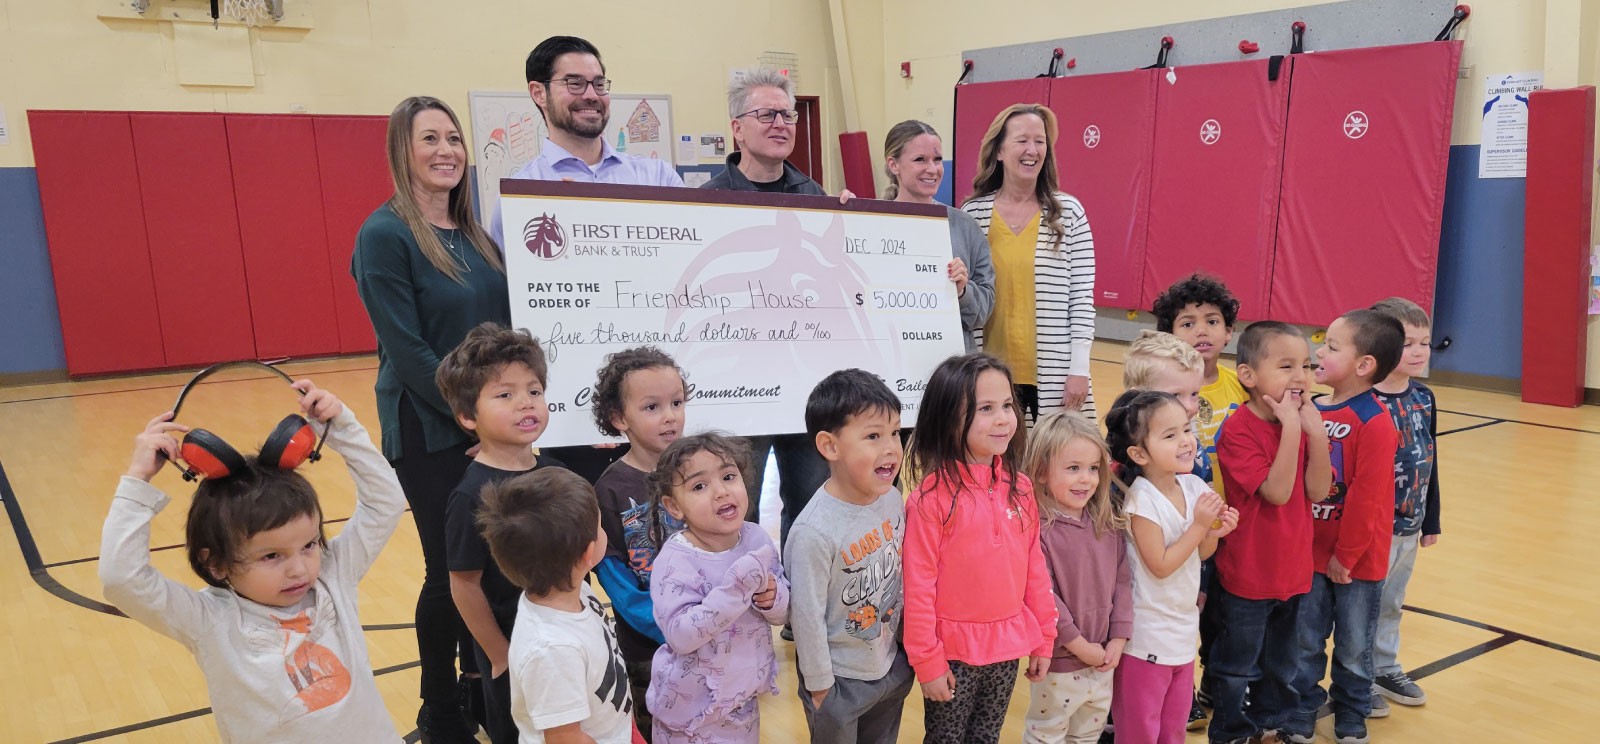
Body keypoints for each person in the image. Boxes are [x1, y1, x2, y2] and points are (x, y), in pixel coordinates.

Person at [99, 381, 407, 743]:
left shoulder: (332, 577)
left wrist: (342, 428)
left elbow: (385, 502)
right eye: (271, 555)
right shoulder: (210, 620)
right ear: (215, 564)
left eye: (308, 545)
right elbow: (121, 580)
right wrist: (138, 478)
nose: (299, 568)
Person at [352, 95, 506, 742]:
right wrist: (471, 418)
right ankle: (438, 713)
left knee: (489, 567)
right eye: (429, 140)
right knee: (450, 571)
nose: (445, 151)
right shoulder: (384, 235)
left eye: (454, 139)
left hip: (488, 422)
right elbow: (408, 350)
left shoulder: (473, 234)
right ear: (402, 152)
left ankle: (477, 695)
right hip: (431, 425)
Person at [489, 35, 686, 485]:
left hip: (660, 414)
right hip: (574, 418)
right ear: (538, 93)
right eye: (574, 83)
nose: (591, 95)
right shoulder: (520, 196)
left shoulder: (655, 176)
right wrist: (583, 415)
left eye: (599, 83)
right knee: (589, 538)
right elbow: (519, 312)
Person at [699, 67, 841, 551]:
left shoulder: (817, 197)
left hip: (806, 386)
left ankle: (799, 612)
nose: (781, 123)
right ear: (737, 127)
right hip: (736, 391)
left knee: (810, 499)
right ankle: (745, 608)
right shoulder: (704, 202)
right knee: (738, 503)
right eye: (767, 114)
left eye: (788, 115)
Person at [902, 352, 1056, 744]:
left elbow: (1034, 567)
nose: (1004, 418)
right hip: (953, 652)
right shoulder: (929, 500)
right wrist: (927, 660)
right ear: (949, 418)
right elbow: (918, 586)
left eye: (1007, 405)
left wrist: (1044, 635)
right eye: (986, 408)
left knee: (986, 736)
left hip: (1007, 645)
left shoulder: (1020, 488)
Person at [435, 324, 566, 744]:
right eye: (505, 395)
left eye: (533, 390)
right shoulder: (470, 494)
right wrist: (498, 654)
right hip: (514, 648)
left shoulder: (556, 474)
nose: (525, 403)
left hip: (564, 638)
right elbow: (463, 583)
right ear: (467, 416)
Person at [1207, 322, 1332, 744]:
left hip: (1292, 570)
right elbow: (1277, 493)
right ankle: (1230, 731)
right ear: (1248, 376)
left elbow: (1317, 489)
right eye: (1286, 366)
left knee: (1283, 662)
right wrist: (1295, 428)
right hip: (1249, 573)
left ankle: (1272, 724)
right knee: (1238, 664)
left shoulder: (1296, 423)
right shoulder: (1240, 429)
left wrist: (1315, 434)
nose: (1301, 377)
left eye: (1307, 366)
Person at [1287, 309, 1403, 744]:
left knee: (1354, 647)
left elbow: (1368, 500)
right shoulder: (1311, 408)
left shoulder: (1374, 421)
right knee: (1305, 641)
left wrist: (1346, 556)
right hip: (1309, 553)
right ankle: (1301, 707)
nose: (1319, 351)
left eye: (1332, 346)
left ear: (1364, 365)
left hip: (1355, 562)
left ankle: (1352, 709)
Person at [786, 369, 915, 743]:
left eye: (895, 432)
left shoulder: (891, 497)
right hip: (839, 680)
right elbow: (805, 617)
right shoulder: (814, 531)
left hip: (889, 664)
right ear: (830, 446)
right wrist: (821, 686)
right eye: (873, 435)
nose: (891, 446)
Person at [1103, 389, 1238, 744]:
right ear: (1139, 453)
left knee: (1172, 731)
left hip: (1181, 631)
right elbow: (1160, 565)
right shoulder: (1141, 501)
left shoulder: (1193, 485)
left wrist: (1214, 532)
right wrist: (1198, 527)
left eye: (1187, 429)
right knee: (1140, 732)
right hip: (1146, 638)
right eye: (1170, 435)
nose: (1186, 441)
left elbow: (1201, 554)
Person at [645, 434, 790, 744]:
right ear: (674, 506)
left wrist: (772, 597)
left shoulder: (756, 539)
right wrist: (737, 589)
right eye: (699, 486)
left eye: (728, 476)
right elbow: (681, 636)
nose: (722, 491)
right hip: (689, 716)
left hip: (743, 702)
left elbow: (782, 613)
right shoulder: (675, 560)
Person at [477, 468, 635, 744]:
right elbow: (564, 738)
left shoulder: (575, 591)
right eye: (600, 527)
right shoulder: (552, 650)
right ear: (588, 553)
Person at [961, 104, 1096, 422]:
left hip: (1055, 375)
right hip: (986, 371)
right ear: (999, 151)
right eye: (1022, 140)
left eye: (1040, 141)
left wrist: (1079, 368)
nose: (1032, 150)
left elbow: (1081, 299)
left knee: (1051, 466)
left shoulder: (1069, 213)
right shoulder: (972, 215)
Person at [590, 346, 690, 740]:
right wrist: (667, 627)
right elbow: (613, 574)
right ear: (619, 418)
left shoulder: (699, 468)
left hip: (714, 637)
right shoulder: (610, 490)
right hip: (650, 650)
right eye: (652, 407)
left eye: (677, 402)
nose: (670, 416)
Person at [1019, 411, 1132, 744]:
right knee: (1047, 733)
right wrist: (1081, 646)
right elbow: (1045, 597)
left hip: (1102, 659)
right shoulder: (1037, 531)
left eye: (1093, 468)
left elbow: (1123, 583)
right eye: (1073, 469)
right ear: (1041, 472)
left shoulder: (1107, 523)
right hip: (1060, 663)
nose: (1086, 479)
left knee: (1087, 735)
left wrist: (1118, 639)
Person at [1366, 297, 1444, 708]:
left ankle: (1383, 668)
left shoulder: (1425, 398)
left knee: (1392, 601)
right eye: (1407, 342)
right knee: (1360, 606)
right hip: (1369, 530)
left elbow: (1428, 459)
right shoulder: (1361, 401)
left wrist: (1430, 519)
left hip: (1409, 526)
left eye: (1424, 343)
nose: (1417, 351)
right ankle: (1356, 677)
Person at [882, 119, 996, 352]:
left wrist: (963, 291)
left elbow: (983, 312)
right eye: (920, 160)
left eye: (937, 159)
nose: (932, 169)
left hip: (952, 371)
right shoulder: (873, 225)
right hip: (891, 361)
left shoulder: (965, 227)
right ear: (894, 165)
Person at [1150, 274, 1246, 499]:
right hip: (1181, 507)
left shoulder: (1243, 386)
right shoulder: (1158, 393)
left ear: (1229, 332)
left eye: (1212, 322)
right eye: (1188, 324)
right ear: (1169, 336)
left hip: (1234, 506)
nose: (1201, 331)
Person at [1123, 330, 1212, 485]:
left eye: (1194, 394)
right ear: (1137, 397)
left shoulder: (1193, 450)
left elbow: (1208, 493)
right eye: (1175, 395)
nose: (1190, 407)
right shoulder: (1120, 458)